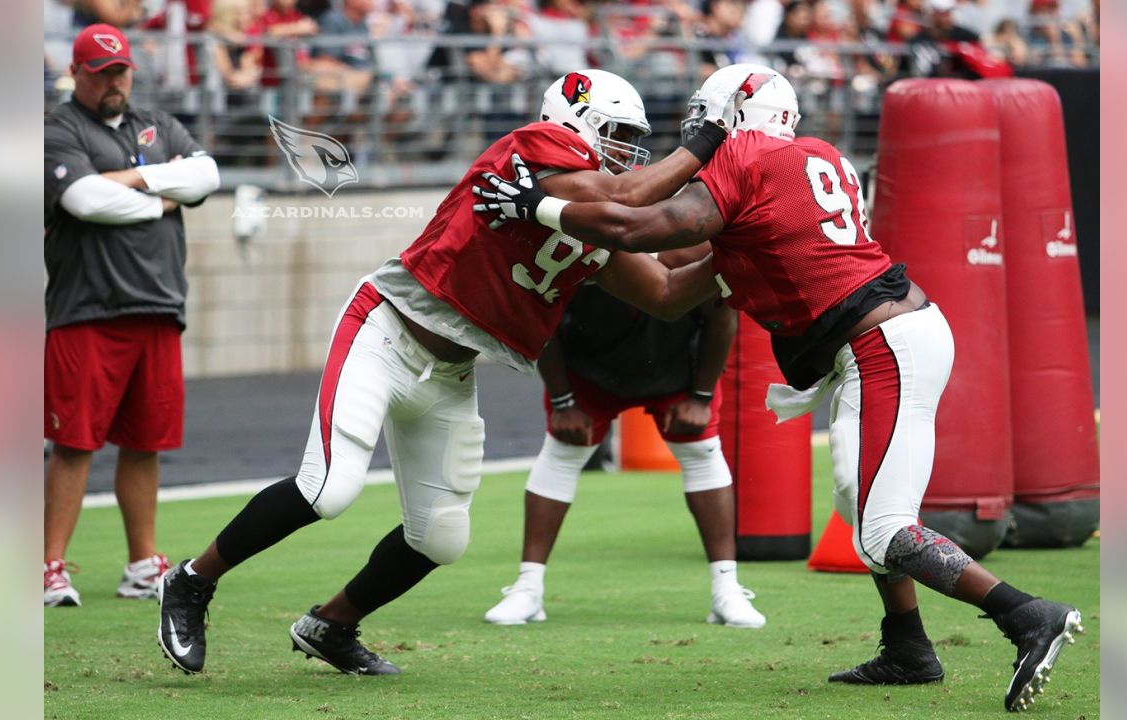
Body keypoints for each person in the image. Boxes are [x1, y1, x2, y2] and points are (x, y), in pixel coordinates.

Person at [472, 63, 1085, 713]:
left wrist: (536, 205)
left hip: (884, 346)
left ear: (727, 118)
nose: (697, 134)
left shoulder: (743, 157)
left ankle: (1027, 615)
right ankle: (906, 645)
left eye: (706, 121)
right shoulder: (811, 157)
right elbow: (678, 293)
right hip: (881, 341)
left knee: (883, 531)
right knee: (859, 500)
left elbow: (643, 228)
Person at [155, 68, 747, 677]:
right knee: (327, 488)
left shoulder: (595, 220)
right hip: (387, 330)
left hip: (451, 372)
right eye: (618, 133)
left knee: (440, 536)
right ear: (577, 120)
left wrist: (744, 250)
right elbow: (622, 200)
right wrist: (704, 143)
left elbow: (671, 294)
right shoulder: (531, 147)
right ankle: (192, 581)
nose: (628, 149)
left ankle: (330, 625)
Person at [483, 247, 766, 628]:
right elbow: (542, 321)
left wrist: (700, 396)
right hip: (589, 370)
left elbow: (722, 316)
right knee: (562, 454)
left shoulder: (690, 245)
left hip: (674, 368)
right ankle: (527, 588)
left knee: (701, 452)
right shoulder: (578, 245)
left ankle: (726, 589)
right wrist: (564, 400)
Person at [43, 24, 221, 607]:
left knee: (146, 442)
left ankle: (143, 563)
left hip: (159, 305)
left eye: (121, 71)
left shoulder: (158, 124)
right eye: (102, 72)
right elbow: (83, 201)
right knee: (75, 442)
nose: (115, 81)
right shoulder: (57, 129)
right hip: (88, 308)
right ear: (80, 73)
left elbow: (207, 176)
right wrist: (165, 194)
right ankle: (48, 566)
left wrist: (133, 180)